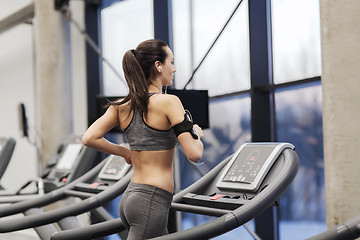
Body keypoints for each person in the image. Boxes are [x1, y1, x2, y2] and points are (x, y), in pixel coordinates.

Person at [82, 39, 204, 240]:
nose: (174, 69)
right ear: (158, 66)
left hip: (132, 196)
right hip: (151, 200)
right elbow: (195, 154)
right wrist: (196, 134)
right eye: (171, 62)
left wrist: (125, 152)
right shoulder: (170, 102)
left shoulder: (122, 105)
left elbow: (89, 138)